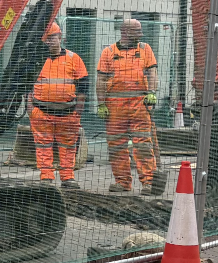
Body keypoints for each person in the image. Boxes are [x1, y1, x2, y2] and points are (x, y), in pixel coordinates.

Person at [96, 18, 162, 194]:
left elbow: (152, 72)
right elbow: (101, 79)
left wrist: (152, 92)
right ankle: (123, 182)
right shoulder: (108, 52)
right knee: (116, 146)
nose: (140, 35)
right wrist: (101, 103)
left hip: (140, 105)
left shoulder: (145, 49)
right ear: (125, 32)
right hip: (115, 108)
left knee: (143, 144)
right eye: (137, 31)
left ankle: (148, 182)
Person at [29, 21, 88, 188]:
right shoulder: (35, 59)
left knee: (68, 146)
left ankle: (67, 178)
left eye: (52, 37)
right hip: (41, 111)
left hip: (68, 113)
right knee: (43, 146)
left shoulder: (73, 58)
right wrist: (29, 108)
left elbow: (84, 84)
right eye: (46, 38)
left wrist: (78, 110)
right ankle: (46, 177)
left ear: (60, 37)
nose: (49, 41)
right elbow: (26, 84)